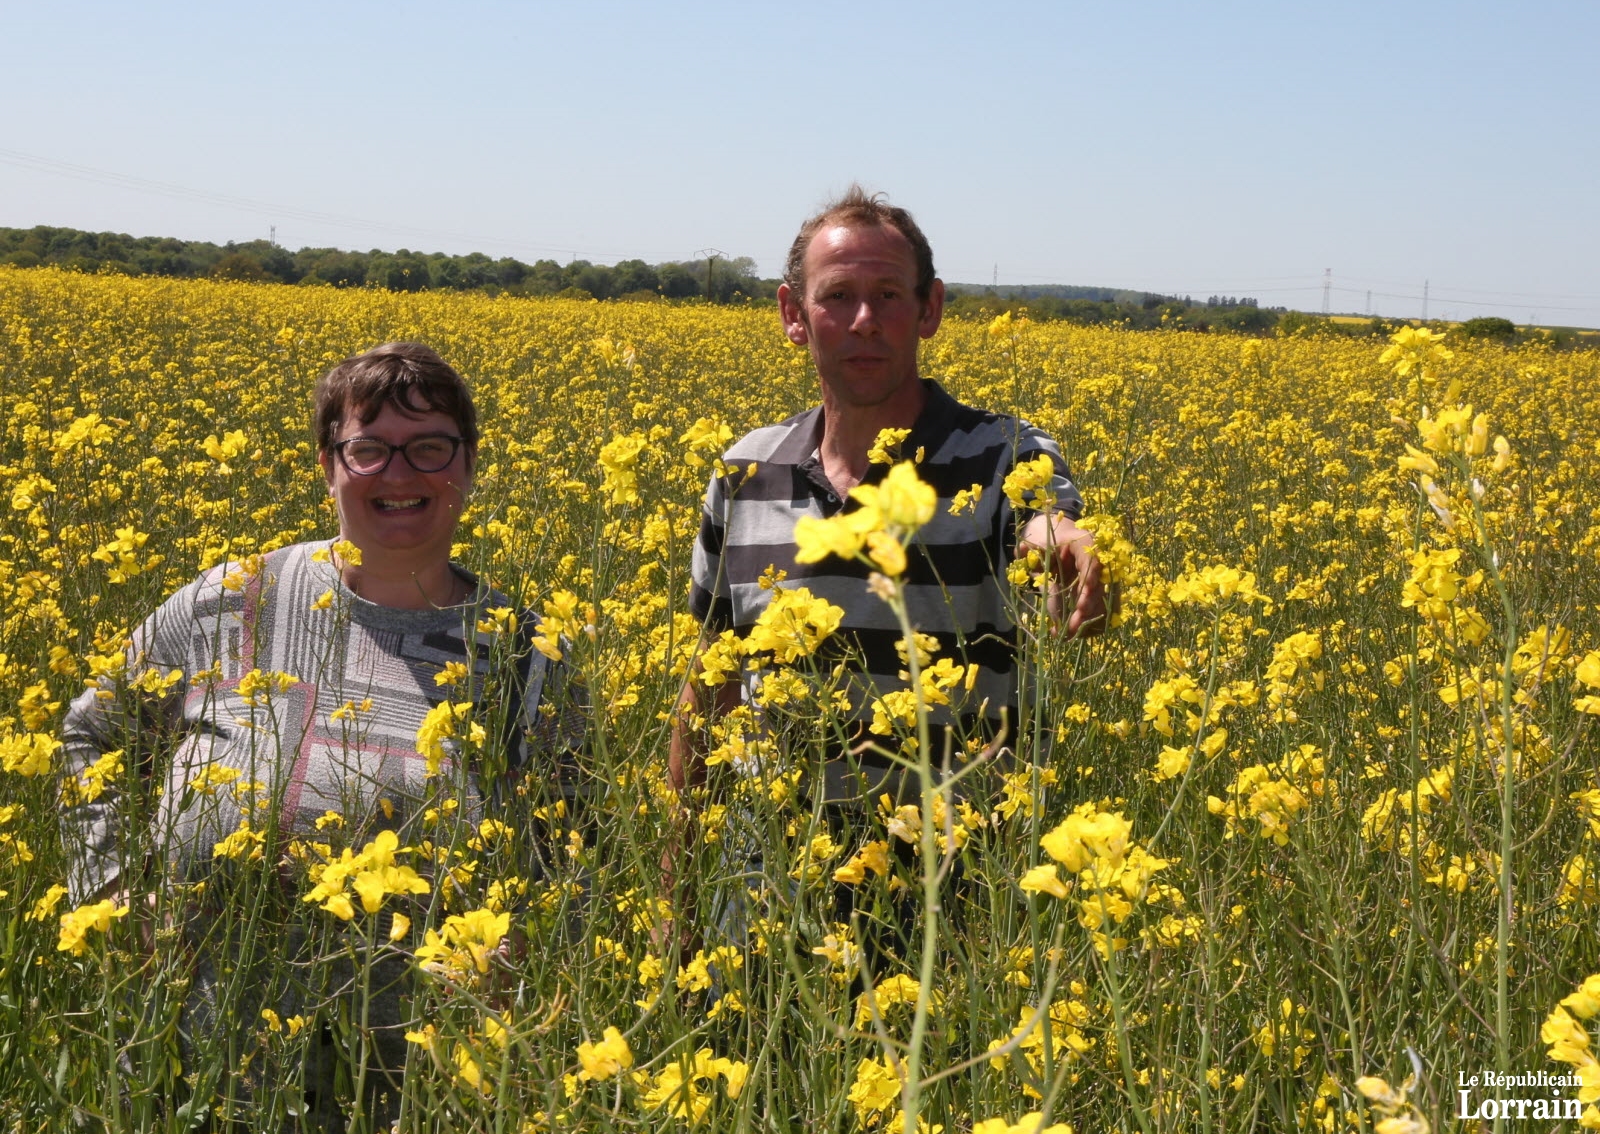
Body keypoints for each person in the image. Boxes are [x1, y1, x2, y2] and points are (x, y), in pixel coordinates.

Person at [59, 342, 571, 1130]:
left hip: (416, 1074)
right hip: (195, 1052)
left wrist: (522, 956)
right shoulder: (225, 602)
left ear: (468, 467)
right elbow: (92, 735)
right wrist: (113, 888)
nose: (399, 475)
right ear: (328, 464)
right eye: (368, 450)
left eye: (431, 448)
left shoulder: (523, 656)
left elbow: (574, 842)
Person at [669, 188, 1110, 958]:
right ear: (792, 314)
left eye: (887, 295)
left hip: (954, 894)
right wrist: (675, 897)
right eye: (837, 297)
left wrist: (1060, 541)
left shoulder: (1005, 456)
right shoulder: (744, 472)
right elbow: (704, 689)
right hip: (765, 888)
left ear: (930, 308)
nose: (864, 320)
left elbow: (1044, 529)